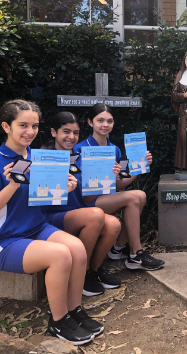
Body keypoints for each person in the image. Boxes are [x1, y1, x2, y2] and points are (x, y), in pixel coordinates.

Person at [0, 100, 102, 345]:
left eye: (34, 126)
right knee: (60, 255)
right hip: (3, 241)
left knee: (77, 248)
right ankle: (58, 321)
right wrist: (12, 184)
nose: (30, 131)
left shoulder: (40, 158)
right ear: (6, 126)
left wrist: (65, 187)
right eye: (23, 125)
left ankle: (74, 310)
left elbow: (47, 200)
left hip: (36, 227)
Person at [74, 103, 164, 271]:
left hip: (105, 200)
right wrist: (104, 179)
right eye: (100, 120)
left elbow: (119, 183)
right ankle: (136, 253)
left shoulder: (114, 150)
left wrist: (140, 167)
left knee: (140, 195)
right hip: (85, 202)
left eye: (109, 121)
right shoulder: (79, 149)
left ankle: (119, 248)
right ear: (89, 122)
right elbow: (79, 186)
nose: (105, 125)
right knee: (132, 197)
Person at [41, 111, 122, 296]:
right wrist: (61, 188)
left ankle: (92, 272)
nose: (71, 137)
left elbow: (86, 197)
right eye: (66, 132)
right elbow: (41, 199)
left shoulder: (78, 156)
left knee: (113, 224)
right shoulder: (45, 158)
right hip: (52, 217)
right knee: (95, 215)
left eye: (75, 133)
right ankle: (80, 274)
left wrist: (109, 178)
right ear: (54, 132)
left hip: (78, 212)